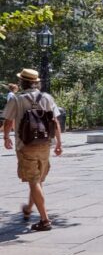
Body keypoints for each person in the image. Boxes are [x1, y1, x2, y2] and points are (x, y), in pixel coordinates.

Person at [2, 68, 63, 231]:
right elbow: (55, 122)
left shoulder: (17, 99)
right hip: (44, 144)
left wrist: (6, 137)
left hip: (25, 145)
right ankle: (29, 208)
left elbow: (8, 122)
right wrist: (59, 143)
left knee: (34, 180)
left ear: (22, 82)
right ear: (36, 82)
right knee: (37, 180)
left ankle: (45, 220)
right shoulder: (47, 97)